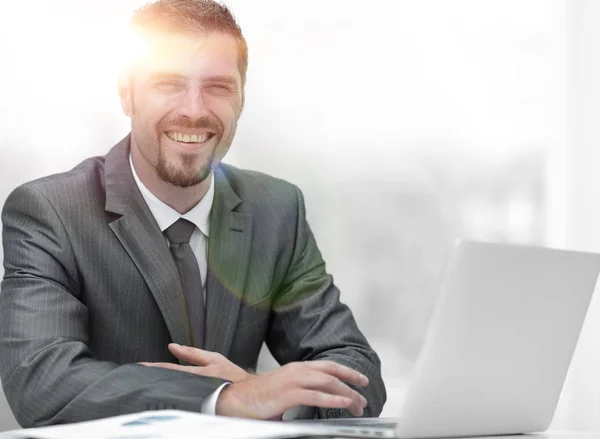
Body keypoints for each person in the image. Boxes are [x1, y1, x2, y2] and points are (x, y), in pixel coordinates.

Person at [0, 0, 386, 427]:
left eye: (218, 87)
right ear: (127, 94)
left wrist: (283, 401)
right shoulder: (50, 212)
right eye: (169, 84)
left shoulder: (276, 209)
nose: (194, 109)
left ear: (241, 98)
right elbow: (40, 382)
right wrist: (225, 398)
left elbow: (357, 369)